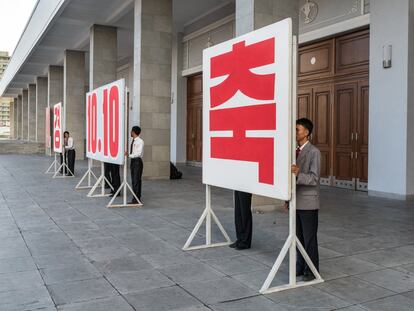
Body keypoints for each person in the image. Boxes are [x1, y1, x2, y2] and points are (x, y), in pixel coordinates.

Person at [284, 118, 321, 282]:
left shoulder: (314, 152)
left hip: (308, 203)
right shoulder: (293, 151)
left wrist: (298, 172)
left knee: (309, 238)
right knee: (297, 237)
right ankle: (300, 266)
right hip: (295, 201)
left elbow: (314, 179)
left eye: (297, 130)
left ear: (306, 132)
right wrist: (287, 198)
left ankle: (311, 270)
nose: (295, 133)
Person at [126, 126, 144, 204]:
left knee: (137, 180)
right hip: (133, 162)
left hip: (137, 162)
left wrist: (129, 155)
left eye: (131, 131)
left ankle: (136, 199)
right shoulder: (133, 141)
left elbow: (138, 153)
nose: (130, 132)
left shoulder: (140, 141)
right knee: (134, 181)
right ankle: (135, 198)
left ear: (133, 132)